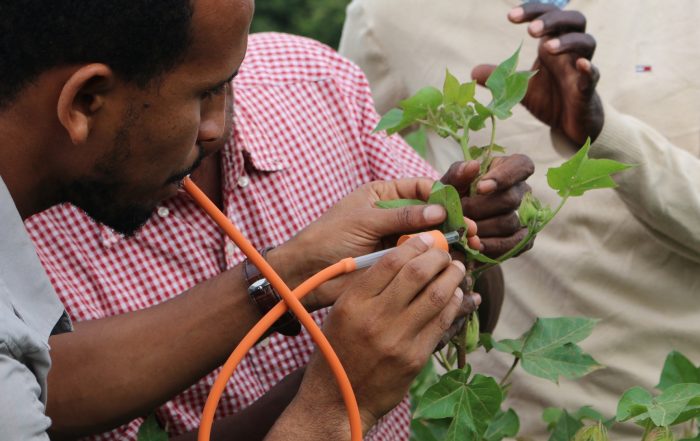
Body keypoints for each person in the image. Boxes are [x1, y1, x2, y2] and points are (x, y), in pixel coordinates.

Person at [2, 2, 534, 441]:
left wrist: (463, 241)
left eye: (235, 76)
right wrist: (336, 394)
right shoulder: (40, 225)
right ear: (85, 102)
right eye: (205, 91)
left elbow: (475, 292)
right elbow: (45, 390)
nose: (220, 127)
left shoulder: (315, 81)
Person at [339, 0, 700, 439]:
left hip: (676, 414)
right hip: (499, 421)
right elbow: (344, 207)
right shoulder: (390, 13)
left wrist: (604, 136)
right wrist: (447, 219)